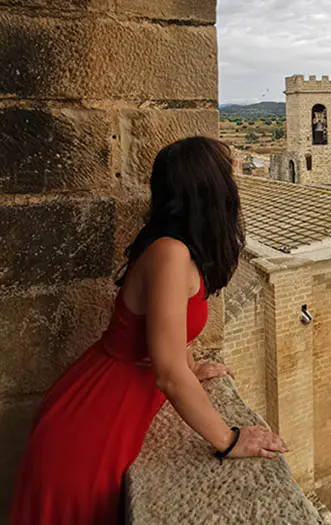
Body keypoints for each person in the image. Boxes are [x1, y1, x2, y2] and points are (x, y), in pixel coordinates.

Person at [10, 137, 287, 525]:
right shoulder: (171, 254)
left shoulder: (174, 248)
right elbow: (168, 374)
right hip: (95, 423)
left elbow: (169, 333)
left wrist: (191, 366)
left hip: (107, 403)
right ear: (211, 191)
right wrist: (230, 439)